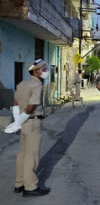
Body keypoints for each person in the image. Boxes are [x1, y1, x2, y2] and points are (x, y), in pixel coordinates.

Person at [5, 59, 51, 197]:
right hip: (32, 122)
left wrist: (17, 122)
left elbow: (15, 103)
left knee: (22, 154)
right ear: (35, 71)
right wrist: (20, 121)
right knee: (31, 155)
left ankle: (19, 184)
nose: (45, 71)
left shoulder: (22, 83)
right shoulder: (37, 85)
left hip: (23, 123)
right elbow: (31, 106)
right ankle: (30, 187)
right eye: (43, 69)